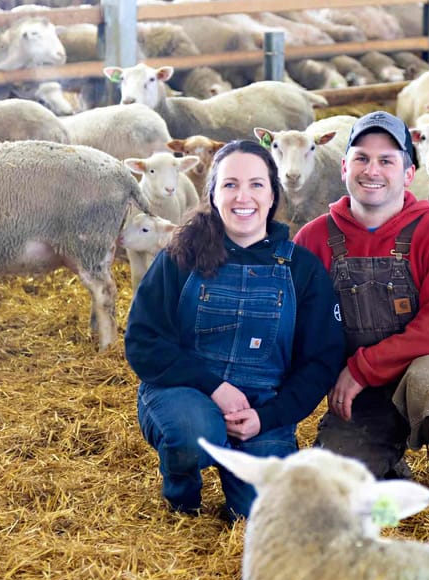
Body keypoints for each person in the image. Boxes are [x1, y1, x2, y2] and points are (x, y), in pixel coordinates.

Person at [125, 139, 345, 520]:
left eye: (257, 185)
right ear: (212, 193)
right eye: (230, 185)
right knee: (192, 434)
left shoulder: (302, 269)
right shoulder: (181, 256)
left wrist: (270, 416)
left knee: (258, 516)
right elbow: (144, 341)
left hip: (264, 406)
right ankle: (182, 496)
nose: (243, 196)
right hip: (187, 393)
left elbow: (320, 362)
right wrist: (215, 388)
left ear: (273, 194)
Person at [294, 111, 429, 513]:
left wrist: (361, 368)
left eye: (387, 160)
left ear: (408, 172)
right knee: (333, 496)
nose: (372, 170)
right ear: (344, 166)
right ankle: (387, 465)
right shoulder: (314, 238)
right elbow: (299, 329)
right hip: (358, 396)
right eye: (362, 158)